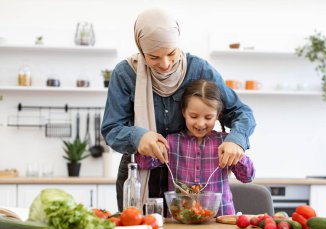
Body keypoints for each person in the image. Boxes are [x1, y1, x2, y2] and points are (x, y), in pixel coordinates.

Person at [101, 8, 256, 213]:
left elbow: (240, 111)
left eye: (171, 53)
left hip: (190, 173)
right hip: (140, 173)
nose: (164, 64)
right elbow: (111, 129)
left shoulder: (199, 69)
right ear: (141, 49)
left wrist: (236, 139)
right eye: (153, 57)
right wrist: (138, 137)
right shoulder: (125, 74)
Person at [136, 80, 255, 216]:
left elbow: (247, 177)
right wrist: (150, 146)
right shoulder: (171, 142)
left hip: (221, 220)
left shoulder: (226, 142)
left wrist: (238, 154)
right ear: (183, 112)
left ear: (217, 115)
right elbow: (144, 163)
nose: (200, 123)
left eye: (208, 117)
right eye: (194, 116)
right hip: (181, 220)